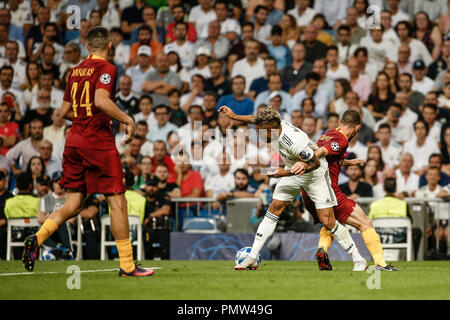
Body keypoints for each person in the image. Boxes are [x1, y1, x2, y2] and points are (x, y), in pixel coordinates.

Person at [22, 26, 154, 277]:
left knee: (73, 204)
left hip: (73, 141)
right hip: (97, 142)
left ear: (87, 47)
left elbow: (63, 111)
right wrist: (128, 119)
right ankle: (127, 265)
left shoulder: (74, 71)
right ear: (110, 46)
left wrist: (85, 117)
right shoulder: (107, 69)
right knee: (117, 202)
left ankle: (36, 239)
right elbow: (102, 101)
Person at [219, 106, 364, 272]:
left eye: (261, 131)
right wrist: (235, 116)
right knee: (274, 208)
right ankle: (252, 256)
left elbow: (315, 163)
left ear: (272, 129)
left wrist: (285, 172)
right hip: (293, 171)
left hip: (315, 174)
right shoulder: (272, 126)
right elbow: (255, 119)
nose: (259, 134)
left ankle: (358, 258)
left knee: (328, 221)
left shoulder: (295, 143)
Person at [143, 174, 172, 260]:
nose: (151, 188)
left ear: (157, 187)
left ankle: (166, 263)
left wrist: (150, 216)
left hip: (161, 227)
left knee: (164, 238)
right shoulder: (141, 198)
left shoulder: (163, 196)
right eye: (149, 185)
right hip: (146, 228)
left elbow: (166, 210)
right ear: (145, 186)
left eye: (154, 186)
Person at [0, 170, 13, 259]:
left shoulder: (10, 197)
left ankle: (5, 257)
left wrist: (4, 221)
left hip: (6, 227)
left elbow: (14, 215)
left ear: (5, 181)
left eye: (0, 180)